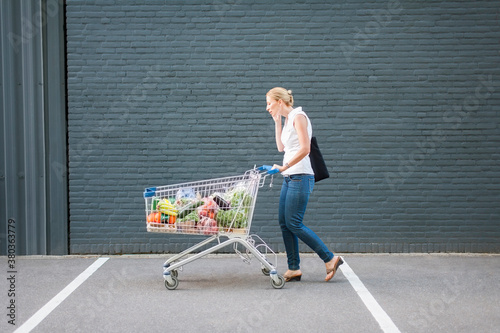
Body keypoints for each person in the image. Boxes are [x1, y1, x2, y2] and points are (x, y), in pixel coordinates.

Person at [265, 87, 343, 282]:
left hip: (300, 176)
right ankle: (293, 268)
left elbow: (306, 148)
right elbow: (281, 148)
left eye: (269, 103)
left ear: (279, 102)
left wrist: (284, 167)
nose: (267, 107)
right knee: (285, 223)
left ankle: (330, 258)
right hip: (290, 176)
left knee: (294, 222)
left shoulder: (299, 116)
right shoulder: (287, 119)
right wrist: (277, 123)